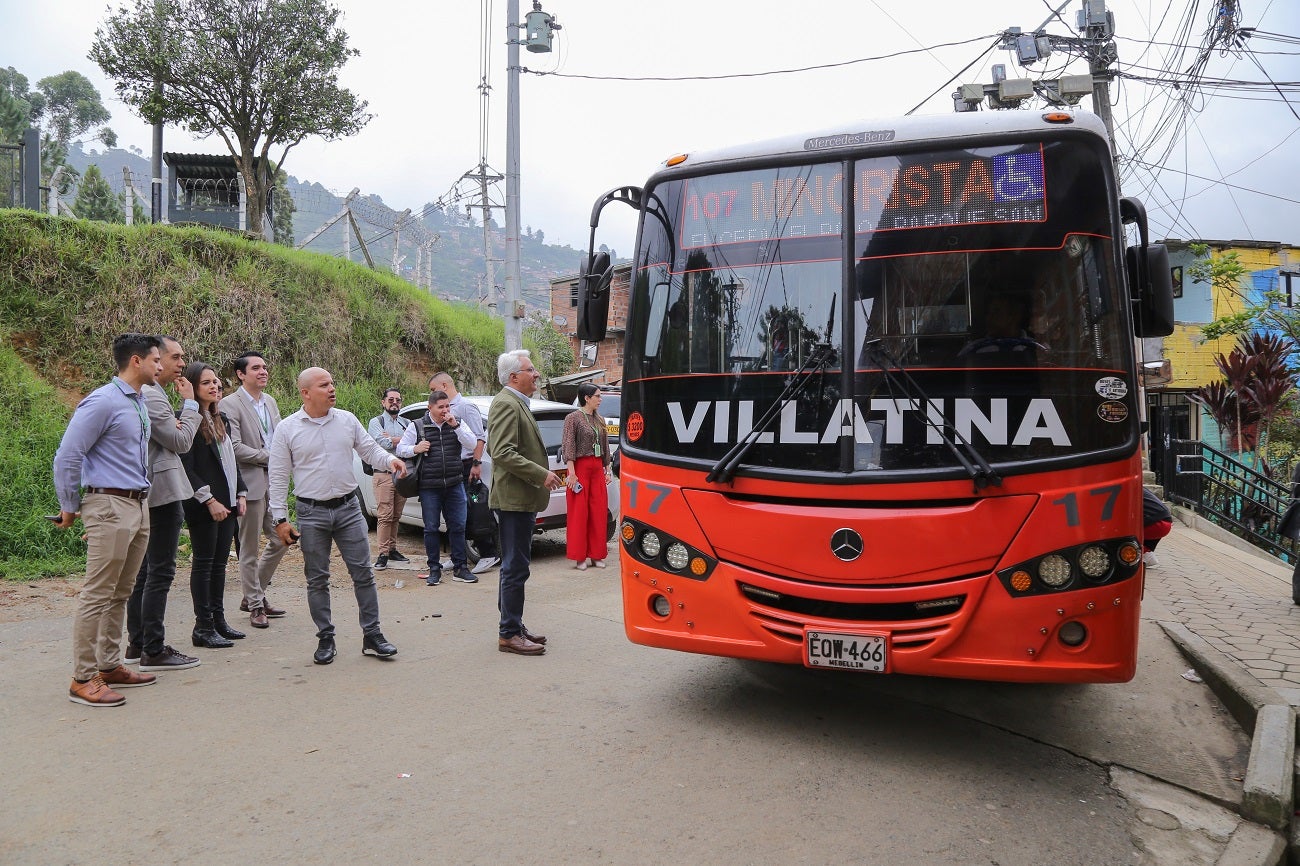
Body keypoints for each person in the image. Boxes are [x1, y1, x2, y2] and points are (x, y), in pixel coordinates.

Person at [268, 367, 406, 665]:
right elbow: (277, 477)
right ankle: (326, 638)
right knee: (317, 579)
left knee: (364, 574)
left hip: (348, 509)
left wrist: (391, 459)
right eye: (323, 385)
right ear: (305, 393)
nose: (331, 389)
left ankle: (372, 635)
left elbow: (370, 450)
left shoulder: (346, 420)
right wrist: (279, 519)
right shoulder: (288, 429)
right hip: (311, 512)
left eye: (332, 383)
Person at [53, 333, 163, 706]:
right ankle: (83, 678)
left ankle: (110, 665)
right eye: (155, 361)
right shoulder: (102, 401)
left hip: (137, 504)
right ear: (136, 361)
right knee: (98, 593)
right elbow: (68, 455)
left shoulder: (138, 402)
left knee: (121, 591)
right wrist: (70, 506)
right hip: (109, 506)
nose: (160, 367)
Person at [125, 335, 203, 673]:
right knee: (159, 571)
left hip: (152, 491)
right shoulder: (154, 396)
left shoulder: (147, 394)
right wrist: (190, 405)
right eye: (174, 357)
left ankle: (138, 643)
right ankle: (152, 648)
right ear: (153, 360)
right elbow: (181, 441)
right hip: (162, 492)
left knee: (145, 572)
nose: (180, 364)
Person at [487, 350, 562, 656]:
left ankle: (513, 625)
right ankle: (508, 633)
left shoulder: (517, 402)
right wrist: (540, 474)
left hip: (521, 499)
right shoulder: (506, 403)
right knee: (515, 568)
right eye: (531, 370)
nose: (537, 375)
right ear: (514, 377)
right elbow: (502, 452)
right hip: (513, 500)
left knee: (515, 566)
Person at [180, 362, 248, 649]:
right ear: (193, 387)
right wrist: (208, 499)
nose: (215, 386)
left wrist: (241, 492)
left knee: (220, 566)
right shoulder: (186, 420)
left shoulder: (222, 420)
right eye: (207, 382)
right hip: (205, 505)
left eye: (217, 382)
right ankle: (202, 627)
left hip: (229, 503)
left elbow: (230, 462)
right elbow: (186, 466)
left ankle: (218, 621)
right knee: (204, 564)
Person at [220, 350, 289, 629]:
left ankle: (253, 595)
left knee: (282, 539)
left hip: (274, 483)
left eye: (264, 367)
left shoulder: (270, 402)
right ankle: (256, 605)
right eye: (256, 368)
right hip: (248, 485)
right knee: (248, 549)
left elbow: (280, 435)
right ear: (241, 374)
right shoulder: (229, 404)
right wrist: (271, 456)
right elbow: (233, 447)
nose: (263, 372)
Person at [396, 389, 478, 586]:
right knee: (431, 528)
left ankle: (461, 567)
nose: (445, 410)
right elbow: (401, 449)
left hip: (454, 483)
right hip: (429, 486)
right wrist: (415, 448)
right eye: (440, 407)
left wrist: (456, 426)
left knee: (458, 526)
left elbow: (472, 443)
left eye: (447, 406)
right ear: (430, 408)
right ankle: (434, 569)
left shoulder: (456, 422)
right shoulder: (417, 426)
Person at [430, 371, 500, 575]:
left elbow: (479, 438)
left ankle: (488, 553)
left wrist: (476, 464)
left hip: (466, 464)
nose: (433, 394)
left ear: (444, 386)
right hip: (449, 467)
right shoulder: (446, 409)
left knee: (473, 512)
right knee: (453, 515)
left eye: (434, 390)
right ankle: (457, 556)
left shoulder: (465, 406)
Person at [561, 382, 613, 570]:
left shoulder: (600, 419)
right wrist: (571, 473)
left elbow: (605, 446)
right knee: (579, 513)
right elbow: (568, 445)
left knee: (598, 512)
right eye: (597, 396)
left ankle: (596, 554)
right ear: (587, 398)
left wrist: (607, 469)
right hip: (580, 468)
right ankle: (580, 556)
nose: (600, 399)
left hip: (597, 467)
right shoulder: (573, 418)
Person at [367, 388, 412, 570]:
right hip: (383, 474)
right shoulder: (375, 422)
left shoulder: (406, 422)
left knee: (396, 515)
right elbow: (382, 443)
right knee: (385, 516)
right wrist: (402, 440)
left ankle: (392, 549)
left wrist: (394, 439)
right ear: (383, 402)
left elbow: (413, 442)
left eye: (398, 400)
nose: (395, 403)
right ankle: (383, 553)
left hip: (401, 475)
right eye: (391, 399)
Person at [958, 293, 1048, 363]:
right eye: (988, 312)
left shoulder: (1039, 349)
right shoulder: (972, 349)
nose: (989, 317)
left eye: (996, 311)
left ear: (1014, 315)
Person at [1142, 488, 1173, 568]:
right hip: (1165, 521)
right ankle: (1146, 553)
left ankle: (1145, 554)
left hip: (1156, 524)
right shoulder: (1139, 487)